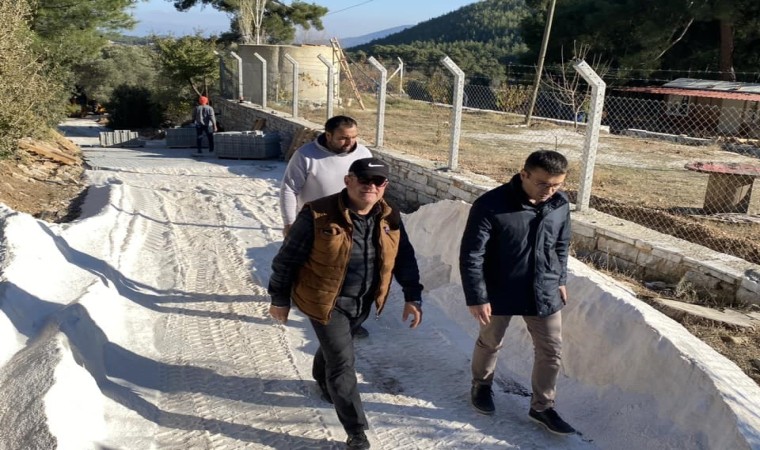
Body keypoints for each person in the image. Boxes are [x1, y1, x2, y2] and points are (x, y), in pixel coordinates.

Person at [268, 157, 424, 450]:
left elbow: (404, 257)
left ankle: (320, 375)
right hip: (325, 300)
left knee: (336, 347)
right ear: (348, 181)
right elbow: (287, 259)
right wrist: (279, 298)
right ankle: (356, 432)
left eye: (378, 182)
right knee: (342, 363)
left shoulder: (389, 215)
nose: (371, 186)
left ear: (385, 186)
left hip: (364, 299)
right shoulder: (317, 213)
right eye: (364, 180)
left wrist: (413, 296)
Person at [459, 149, 575, 436]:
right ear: (524, 174)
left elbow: (561, 244)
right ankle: (481, 385)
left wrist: (560, 279)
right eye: (542, 183)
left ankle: (542, 406)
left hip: (543, 289)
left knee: (551, 350)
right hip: (499, 289)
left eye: (557, 184)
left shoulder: (559, 204)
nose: (549, 190)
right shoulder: (491, 205)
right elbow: (472, 254)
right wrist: (477, 296)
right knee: (490, 342)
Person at [280, 115, 373, 336]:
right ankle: (299, 298)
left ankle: (347, 320)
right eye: (343, 138)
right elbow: (289, 189)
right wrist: (289, 222)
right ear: (328, 135)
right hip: (314, 223)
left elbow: (371, 188)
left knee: (350, 272)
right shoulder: (306, 155)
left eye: (354, 137)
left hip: (351, 223)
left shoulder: (363, 154)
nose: (350, 142)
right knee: (310, 267)